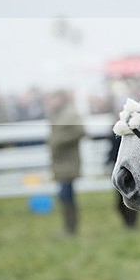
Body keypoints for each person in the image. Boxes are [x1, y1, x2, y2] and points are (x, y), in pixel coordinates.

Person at [46, 90, 85, 236]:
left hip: (69, 161)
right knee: (64, 196)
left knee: (66, 195)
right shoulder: (59, 114)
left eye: (53, 97)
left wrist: (59, 141)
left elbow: (80, 131)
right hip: (60, 162)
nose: (51, 101)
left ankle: (71, 228)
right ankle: (68, 227)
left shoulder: (70, 113)